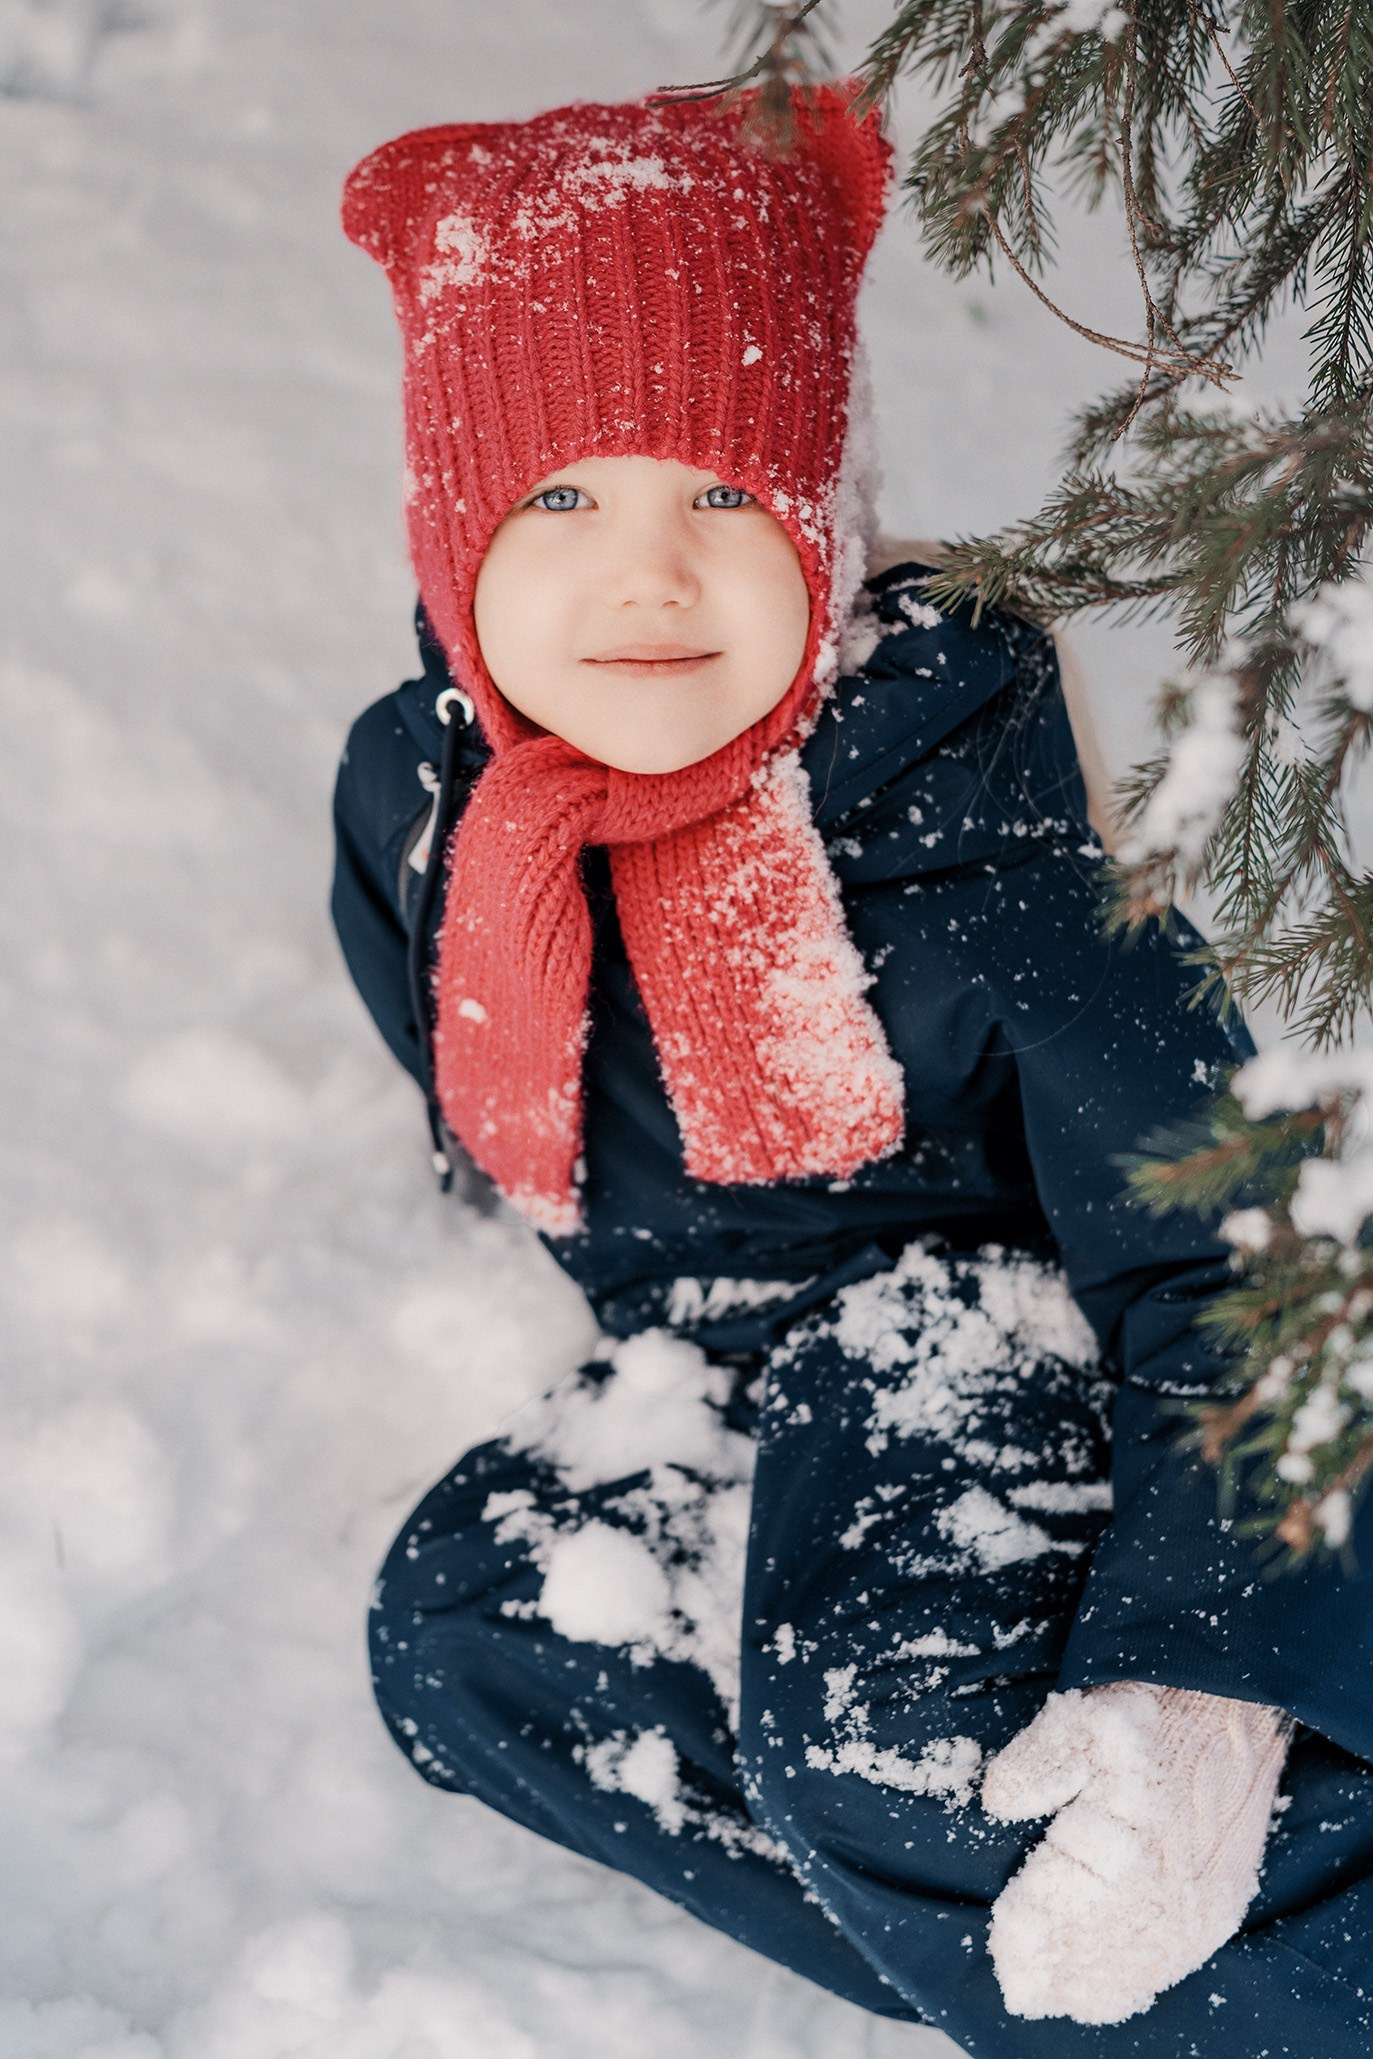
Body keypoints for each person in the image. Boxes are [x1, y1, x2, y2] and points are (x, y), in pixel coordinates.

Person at [331, 85, 1373, 2054]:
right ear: (454, 519)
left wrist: (1202, 1684)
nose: (646, 575)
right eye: (562, 496)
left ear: (824, 505)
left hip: (977, 1341)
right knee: (468, 1640)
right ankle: (1044, 1978)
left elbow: (1236, 1261)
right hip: (715, 1367)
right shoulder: (421, 803)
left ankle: (1289, 1967)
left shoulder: (963, 840)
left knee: (877, 1741)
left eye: (722, 493)